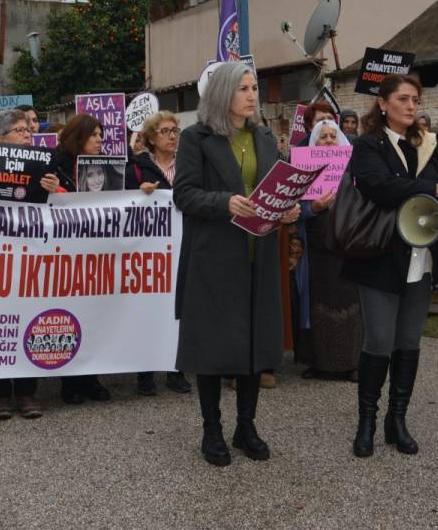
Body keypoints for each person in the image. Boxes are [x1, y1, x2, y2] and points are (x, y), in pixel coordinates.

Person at [174, 61, 301, 467]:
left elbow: (273, 186)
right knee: (212, 348)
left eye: (253, 88)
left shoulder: (263, 137)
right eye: (244, 88)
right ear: (223, 94)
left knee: (254, 345)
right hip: (213, 258)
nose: (252, 95)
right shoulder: (197, 138)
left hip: (258, 256)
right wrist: (223, 202)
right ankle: (211, 430)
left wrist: (286, 209)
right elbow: (184, 194)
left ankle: (245, 426)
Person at [344, 74, 438, 458]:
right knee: (379, 342)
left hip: (424, 257)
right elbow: (379, 187)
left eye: (415, 99)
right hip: (381, 254)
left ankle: (396, 421)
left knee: (409, 343)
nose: (412, 106)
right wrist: (436, 191)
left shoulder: (434, 144)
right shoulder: (368, 146)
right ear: (383, 104)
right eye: (402, 99)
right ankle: (366, 421)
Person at [0, 109, 60, 420]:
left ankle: (27, 392)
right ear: (0, 139)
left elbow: (68, 206)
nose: (27, 133)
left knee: (30, 319)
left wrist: (55, 189)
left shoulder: (44, 166)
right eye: (18, 130)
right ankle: (0, 394)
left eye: (27, 129)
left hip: (31, 260)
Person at [125, 110, 192, 397]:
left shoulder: (188, 165)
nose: (172, 136)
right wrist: (139, 192)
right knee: (149, 308)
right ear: (151, 138)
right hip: (150, 250)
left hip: (183, 243)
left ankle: (177, 370)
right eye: (165, 131)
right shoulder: (138, 167)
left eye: (175, 130)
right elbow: (121, 199)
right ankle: (145, 373)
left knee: (181, 308)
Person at [50, 114, 113, 405]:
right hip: (64, 253)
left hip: (96, 253)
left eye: (101, 135)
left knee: (95, 317)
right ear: (79, 137)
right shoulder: (55, 164)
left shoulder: (111, 165)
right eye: (94, 135)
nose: (100, 140)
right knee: (68, 315)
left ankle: (92, 378)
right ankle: (70, 381)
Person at [294, 120, 361, 381]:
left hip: (347, 245)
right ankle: (319, 362)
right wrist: (316, 207)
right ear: (314, 142)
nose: (329, 140)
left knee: (349, 300)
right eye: (323, 137)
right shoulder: (304, 172)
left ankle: (352, 362)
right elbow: (296, 210)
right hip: (316, 247)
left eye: (334, 135)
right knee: (317, 300)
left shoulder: (353, 169)